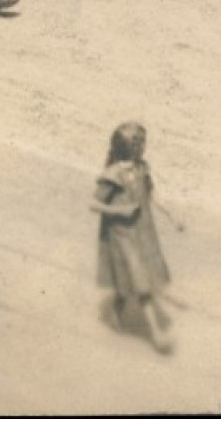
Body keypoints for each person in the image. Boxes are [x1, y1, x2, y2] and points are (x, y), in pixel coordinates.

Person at [92, 122, 174, 354]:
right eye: (142, 143)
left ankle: (118, 305)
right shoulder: (112, 176)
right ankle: (157, 335)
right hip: (122, 235)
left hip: (142, 232)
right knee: (141, 283)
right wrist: (120, 211)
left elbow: (151, 194)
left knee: (131, 277)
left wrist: (170, 215)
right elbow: (94, 203)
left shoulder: (142, 169)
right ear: (134, 148)